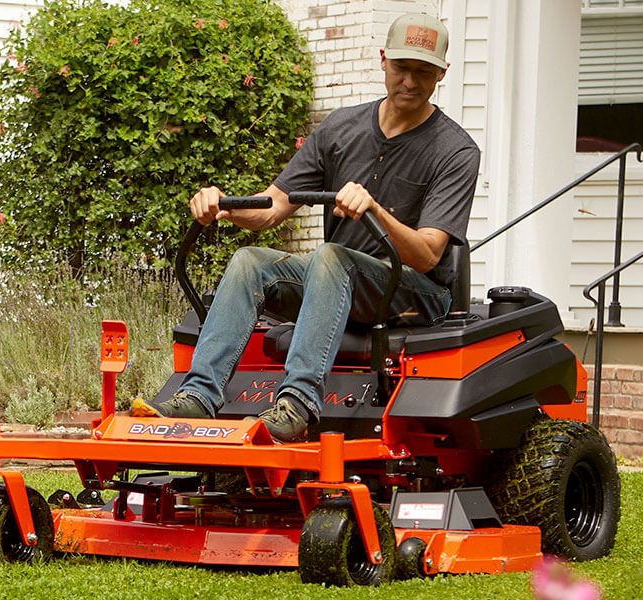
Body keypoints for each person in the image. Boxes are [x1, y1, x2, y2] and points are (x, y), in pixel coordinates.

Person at [132, 12, 480, 442]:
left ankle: (297, 404)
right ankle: (199, 396)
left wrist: (374, 211)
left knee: (330, 257)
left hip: (414, 292)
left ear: (441, 74)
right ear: (383, 60)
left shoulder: (455, 150)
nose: (410, 81)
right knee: (249, 261)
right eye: (402, 67)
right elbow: (270, 209)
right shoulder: (340, 128)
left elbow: (428, 254)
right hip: (336, 282)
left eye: (423, 72)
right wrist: (223, 205)